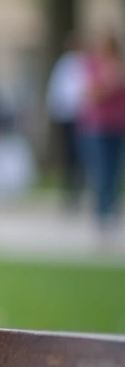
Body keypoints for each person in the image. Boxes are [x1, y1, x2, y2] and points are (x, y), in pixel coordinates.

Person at [78, 33, 125, 232]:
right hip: (98, 126)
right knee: (102, 169)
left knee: (116, 169)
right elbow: (88, 94)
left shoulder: (120, 65)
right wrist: (109, 83)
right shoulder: (93, 66)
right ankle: (101, 211)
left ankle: (111, 208)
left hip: (119, 124)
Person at [46, 34, 88, 211]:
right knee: (71, 155)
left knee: (77, 155)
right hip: (69, 116)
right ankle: (71, 191)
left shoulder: (82, 64)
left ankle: (77, 189)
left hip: (81, 117)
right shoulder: (66, 65)